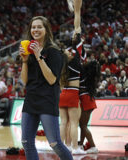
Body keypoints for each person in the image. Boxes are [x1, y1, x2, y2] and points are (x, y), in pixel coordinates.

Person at [19, 16, 73, 160]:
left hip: (47, 99)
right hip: (31, 99)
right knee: (26, 142)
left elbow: (51, 79)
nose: (35, 30)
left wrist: (38, 56)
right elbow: (24, 81)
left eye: (39, 27)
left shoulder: (54, 52)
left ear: (46, 29)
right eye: (33, 27)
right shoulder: (29, 51)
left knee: (55, 143)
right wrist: (24, 61)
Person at [59, 0, 86, 154]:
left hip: (62, 93)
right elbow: (77, 27)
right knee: (74, 123)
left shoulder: (62, 60)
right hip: (73, 93)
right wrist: (77, 9)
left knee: (63, 122)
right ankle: (75, 148)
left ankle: (63, 147)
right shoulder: (76, 56)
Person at [78, 60, 101, 154]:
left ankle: (93, 146)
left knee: (83, 125)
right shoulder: (91, 77)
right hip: (89, 100)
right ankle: (81, 144)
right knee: (83, 125)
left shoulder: (85, 76)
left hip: (86, 99)